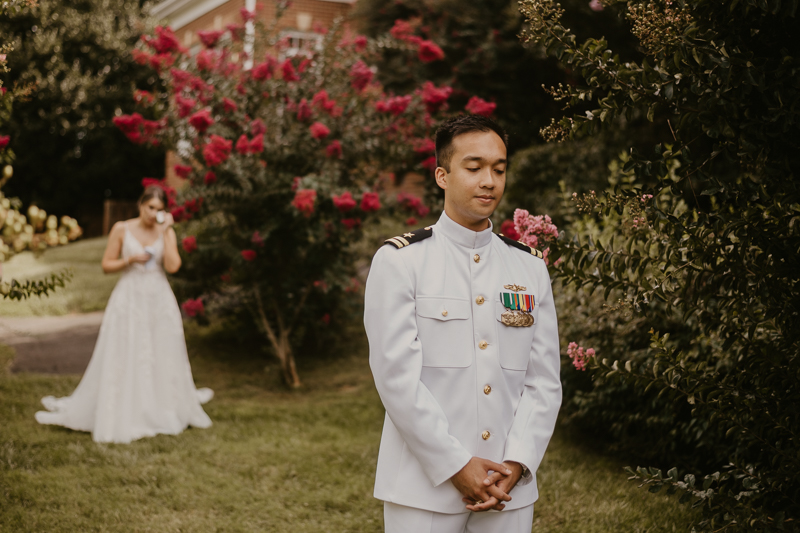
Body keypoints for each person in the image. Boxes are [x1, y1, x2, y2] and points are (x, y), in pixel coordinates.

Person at [364, 115, 562, 533]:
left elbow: (543, 381)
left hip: (509, 488)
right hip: (423, 488)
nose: (489, 180)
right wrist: (456, 464)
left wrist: (517, 461)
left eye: (499, 168)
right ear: (442, 175)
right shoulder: (401, 262)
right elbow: (396, 379)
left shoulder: (528, 267)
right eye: (474, 168)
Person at [35, 185, 213, 444]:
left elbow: (173, 266)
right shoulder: (122, 228)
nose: (153, 214)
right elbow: (107, 265)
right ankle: (125, 404)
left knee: (160, 349)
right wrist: (130, 260)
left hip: (159, 297)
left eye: (159, 209)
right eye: (150, 207)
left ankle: (160, 406)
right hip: (129, 296)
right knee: (126, 348)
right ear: (140, 205)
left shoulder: (165, 231)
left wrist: (166, 233)